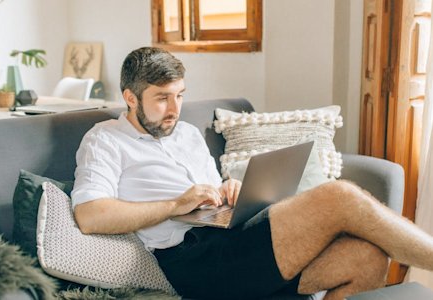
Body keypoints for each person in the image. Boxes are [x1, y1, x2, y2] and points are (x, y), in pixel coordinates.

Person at [71, 47, 433, 300]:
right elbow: (89, 216)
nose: (174, 109)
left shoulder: (187, 135)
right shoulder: (105, 140)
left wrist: (226, 190)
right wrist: (175, 205)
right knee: (340, 196)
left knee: (367, 257)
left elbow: (207, 195)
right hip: (191, 260)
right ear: (131, 98)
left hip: (231, 238)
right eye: (162, 98)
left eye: (180, 96)